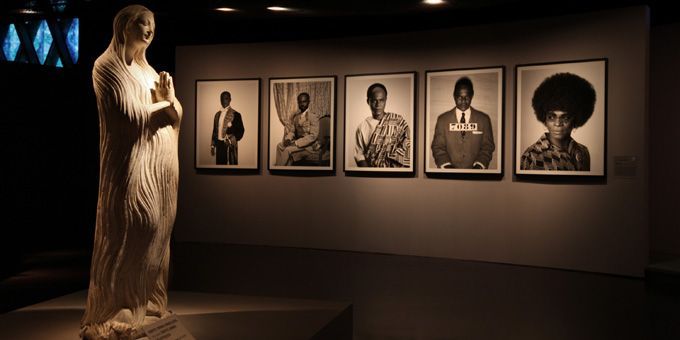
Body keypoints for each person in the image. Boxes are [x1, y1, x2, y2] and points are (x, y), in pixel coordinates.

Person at [81, 5, 183, 339]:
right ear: (125, 26)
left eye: (153, 24)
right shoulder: (106, 67)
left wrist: (170, 103)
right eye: (143, 22)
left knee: (160, 232)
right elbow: (128, 118)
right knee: (134, 227)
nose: (149, 29)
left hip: (163, 165)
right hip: (133, 166)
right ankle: (118, 304)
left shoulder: (150, 71)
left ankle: (149, 298)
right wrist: (165, 105)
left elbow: (174, 114)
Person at [520, 72, 595, 171]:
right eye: (551, 117)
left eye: (565, 117)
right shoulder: (531, 156)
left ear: (576, 119)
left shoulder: (583, 152)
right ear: (544, 119)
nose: (558, 123)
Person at [431, 77, 494, 169]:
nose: (463, 101)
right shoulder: (442, 120)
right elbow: (438, 147)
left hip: (476, 178)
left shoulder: (484, 120)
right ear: (454, 96)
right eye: (460, 97)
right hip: (448, 178)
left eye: (467, 97)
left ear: (472, 96)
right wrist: (447, 167)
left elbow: (487, 146)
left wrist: (480, 165)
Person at [354, 83, 410, 167]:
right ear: (368, 101)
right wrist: (370, 174)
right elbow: (359, 155)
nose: (378, 104)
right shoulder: (362, 127)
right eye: (374, 100)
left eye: (381, 100)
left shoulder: (398, 121)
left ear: (386, 100)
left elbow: (409, 147)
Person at [275, 92, 321, 165]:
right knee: (279, 146)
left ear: (308, 102)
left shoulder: (313, 116)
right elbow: (292, 131)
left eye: (304, 101)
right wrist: (288, 139)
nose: (302, 104)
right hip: (297, 142)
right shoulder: (296, 117)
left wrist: (296, 143)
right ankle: (280, 167)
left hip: (309, 145)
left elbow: (313, 136)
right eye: (300, 102)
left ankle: (279, 170)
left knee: (287, 150)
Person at [210, 91, 245, 165]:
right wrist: (213, 145)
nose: (223, 101)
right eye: (221, 99)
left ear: (230, 99)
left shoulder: (236, 114)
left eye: (225, 98)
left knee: (230, 168)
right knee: (220, 167)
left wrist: (232, 139)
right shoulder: (217, 115)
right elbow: (214, 131)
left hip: (229, 146)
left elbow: (241, 131)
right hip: (219, 145)